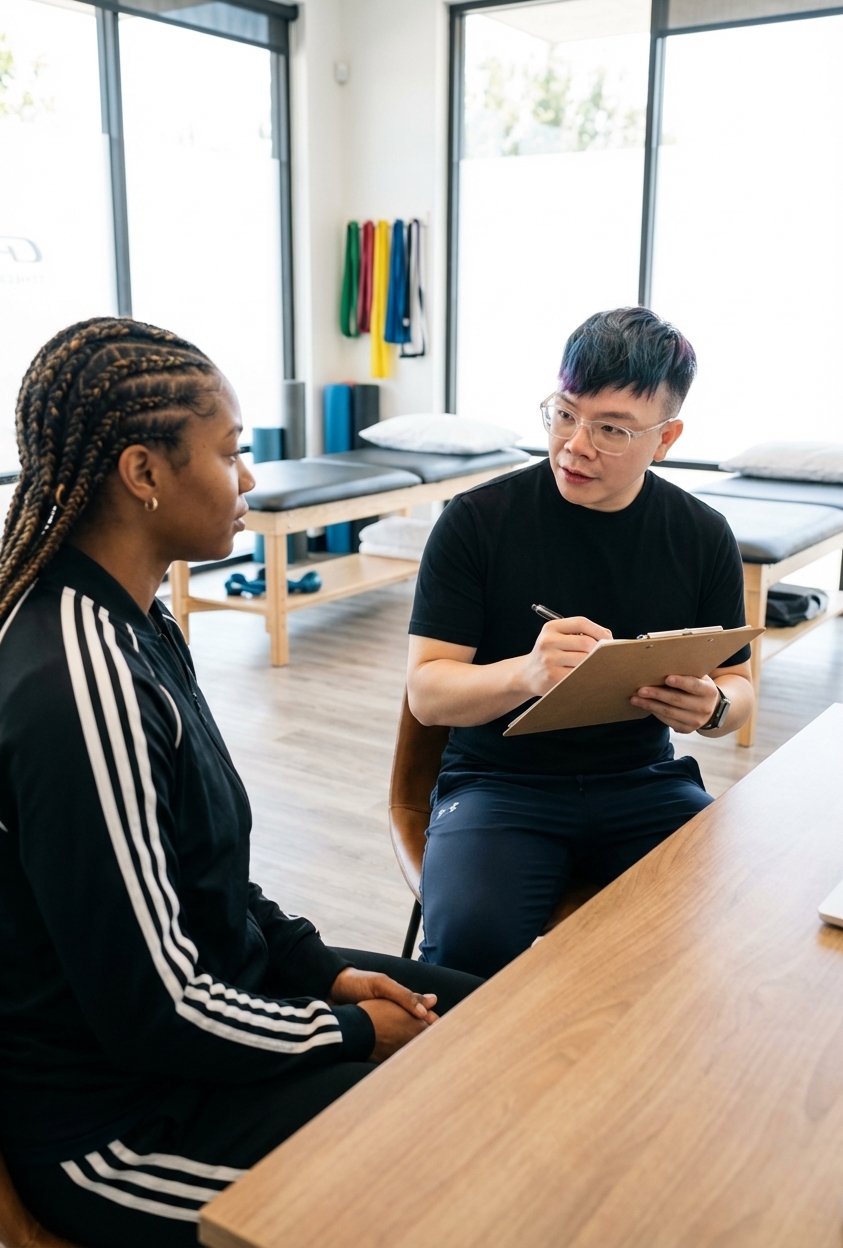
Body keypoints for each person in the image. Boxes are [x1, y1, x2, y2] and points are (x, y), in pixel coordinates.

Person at [0, 317, 481, 1248]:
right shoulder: (78, 683)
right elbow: (155, 1010)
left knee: (510, 1021)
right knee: (453, 1148)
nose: (250, 479)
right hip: (131, 1127)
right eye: (232, 452)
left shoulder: (138, 623)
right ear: (143, 473)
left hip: (220, 1029)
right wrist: (345, 1032)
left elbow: (208, 878)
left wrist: (323, 972)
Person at [407, 307, 755, 980]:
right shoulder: (476, 523)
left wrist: (712, 708)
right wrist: (526, 674)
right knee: (469, 949)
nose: (574, 445)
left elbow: (738, 690)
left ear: (666, 438)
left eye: (611, 429)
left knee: (730, 923)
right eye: (563, 414)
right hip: (499, 784)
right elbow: (426, 693)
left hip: (643, 782)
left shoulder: (701, 535)